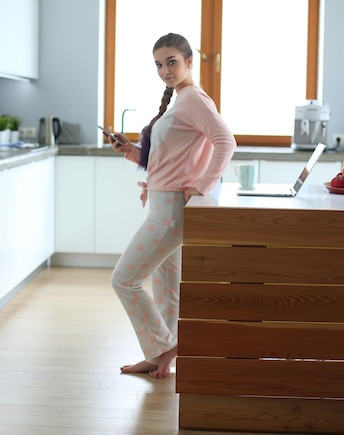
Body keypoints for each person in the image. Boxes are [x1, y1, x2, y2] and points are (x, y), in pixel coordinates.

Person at [105, 33, 236, 379]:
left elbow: (227, 141)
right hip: (163, 204)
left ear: (190, 62)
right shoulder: (181, 100)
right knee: (166, 288)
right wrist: (131, 151)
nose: (165, 70)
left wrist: (202, 185)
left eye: (172, 62)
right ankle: (163, 354)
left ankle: (162, 347)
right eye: (159, 65)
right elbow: (167, 160)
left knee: (124, 279)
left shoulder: (193, 99)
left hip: (171, 210)